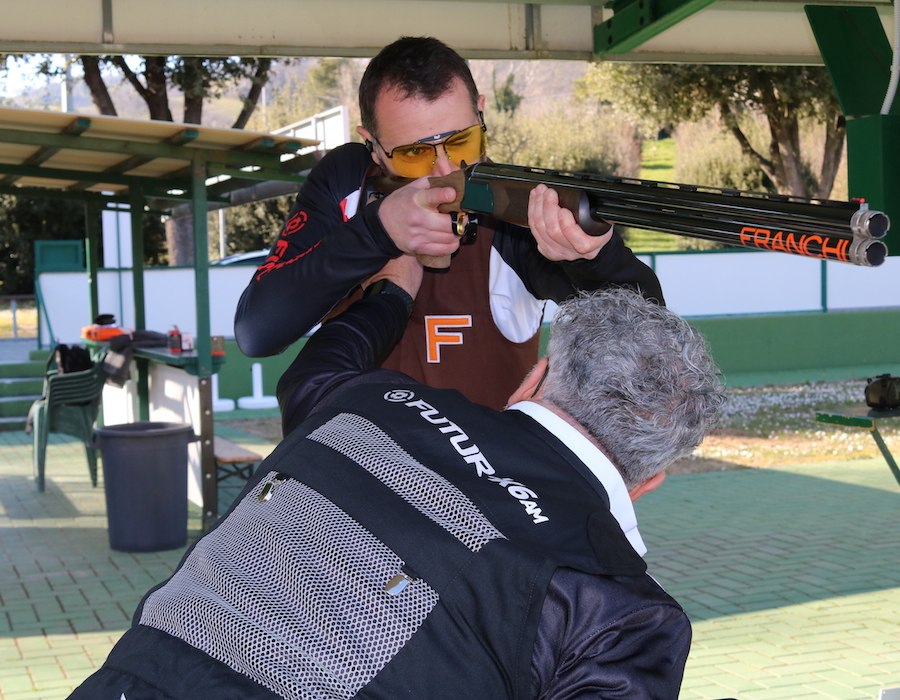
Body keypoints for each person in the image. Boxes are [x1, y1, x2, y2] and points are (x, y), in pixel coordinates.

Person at [68, 254, 723, 700]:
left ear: (536, 380)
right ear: (647, 483)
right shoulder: (624, 613)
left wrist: (395, 286)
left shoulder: (369, 402)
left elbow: (311, 372)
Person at [234, 36, 664, 412]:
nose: (443, 169)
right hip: (352, 482)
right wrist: (378, 230)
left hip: (475, 495)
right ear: (374, 147)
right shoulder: (349, 181)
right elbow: (258, 331)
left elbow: (646, 327)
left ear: (481, 114)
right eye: (414, 154)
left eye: (462, 141)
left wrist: (594, 256)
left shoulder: (513, 206)